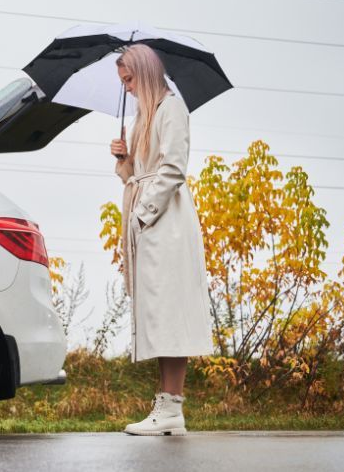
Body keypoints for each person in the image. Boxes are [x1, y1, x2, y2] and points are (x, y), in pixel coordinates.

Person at [109, 44, 213, 436]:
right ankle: (167, 407)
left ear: (145, 73)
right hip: (147, 220)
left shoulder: (172, 108)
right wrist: (124, 160)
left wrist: (143, 213)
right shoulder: (142, 118)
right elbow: (134, 174)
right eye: (123, 82)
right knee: (155, 311)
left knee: (168, 309)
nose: (128, 88)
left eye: (129, 79)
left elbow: (173, 169)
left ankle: (171, 408)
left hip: (164, 222)